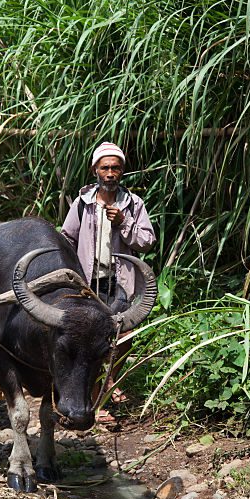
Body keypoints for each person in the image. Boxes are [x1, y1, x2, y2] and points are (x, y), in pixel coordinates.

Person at [61, 141, 156, 416]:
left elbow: (147, 241)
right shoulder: (83, 203)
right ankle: (94, 390)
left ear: (122, 171)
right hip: (88, 283)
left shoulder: (133, 204)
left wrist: (123, 223)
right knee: (87, 338)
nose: (110, 173)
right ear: (95, 170)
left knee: (125, 335)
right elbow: (67, 238)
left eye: (115, 167)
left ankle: (110, 380)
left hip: (120, 283)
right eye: (105, 168)